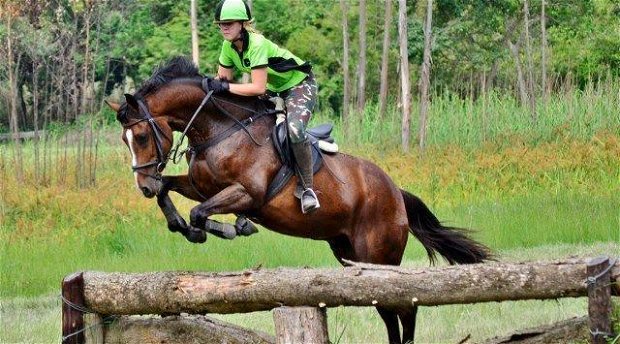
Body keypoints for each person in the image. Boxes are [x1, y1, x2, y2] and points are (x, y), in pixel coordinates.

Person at [205, 0, 320, 214]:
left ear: (242, 24)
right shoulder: (227, 47)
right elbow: (222, 82)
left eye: (229, 23)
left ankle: (307, 189)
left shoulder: (256, 43)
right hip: (274, 89)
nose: (224, 28)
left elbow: (256, 88)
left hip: (299, 85)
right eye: (221, 24)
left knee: (294, 130)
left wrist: (224, 85)